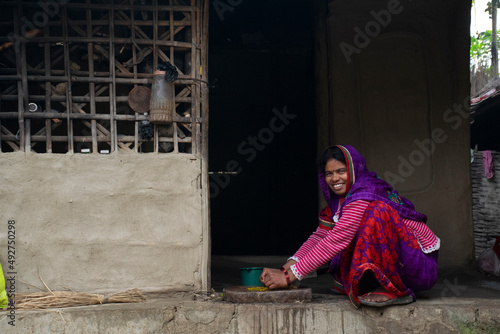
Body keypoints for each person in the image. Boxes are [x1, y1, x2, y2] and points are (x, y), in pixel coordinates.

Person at [259, 145, 440, 308]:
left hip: (418, 268)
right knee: (346, 229)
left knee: (376, 212)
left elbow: (337, 239)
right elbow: (320, 236)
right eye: (329, 173)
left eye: (341, 171)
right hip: (401, 261)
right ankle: (369, 283)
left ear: (354, 170)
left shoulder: (364, 193)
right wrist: (285, 269)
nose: (334, 178)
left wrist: (290, 276)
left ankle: (392, 287)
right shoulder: (339, 202)